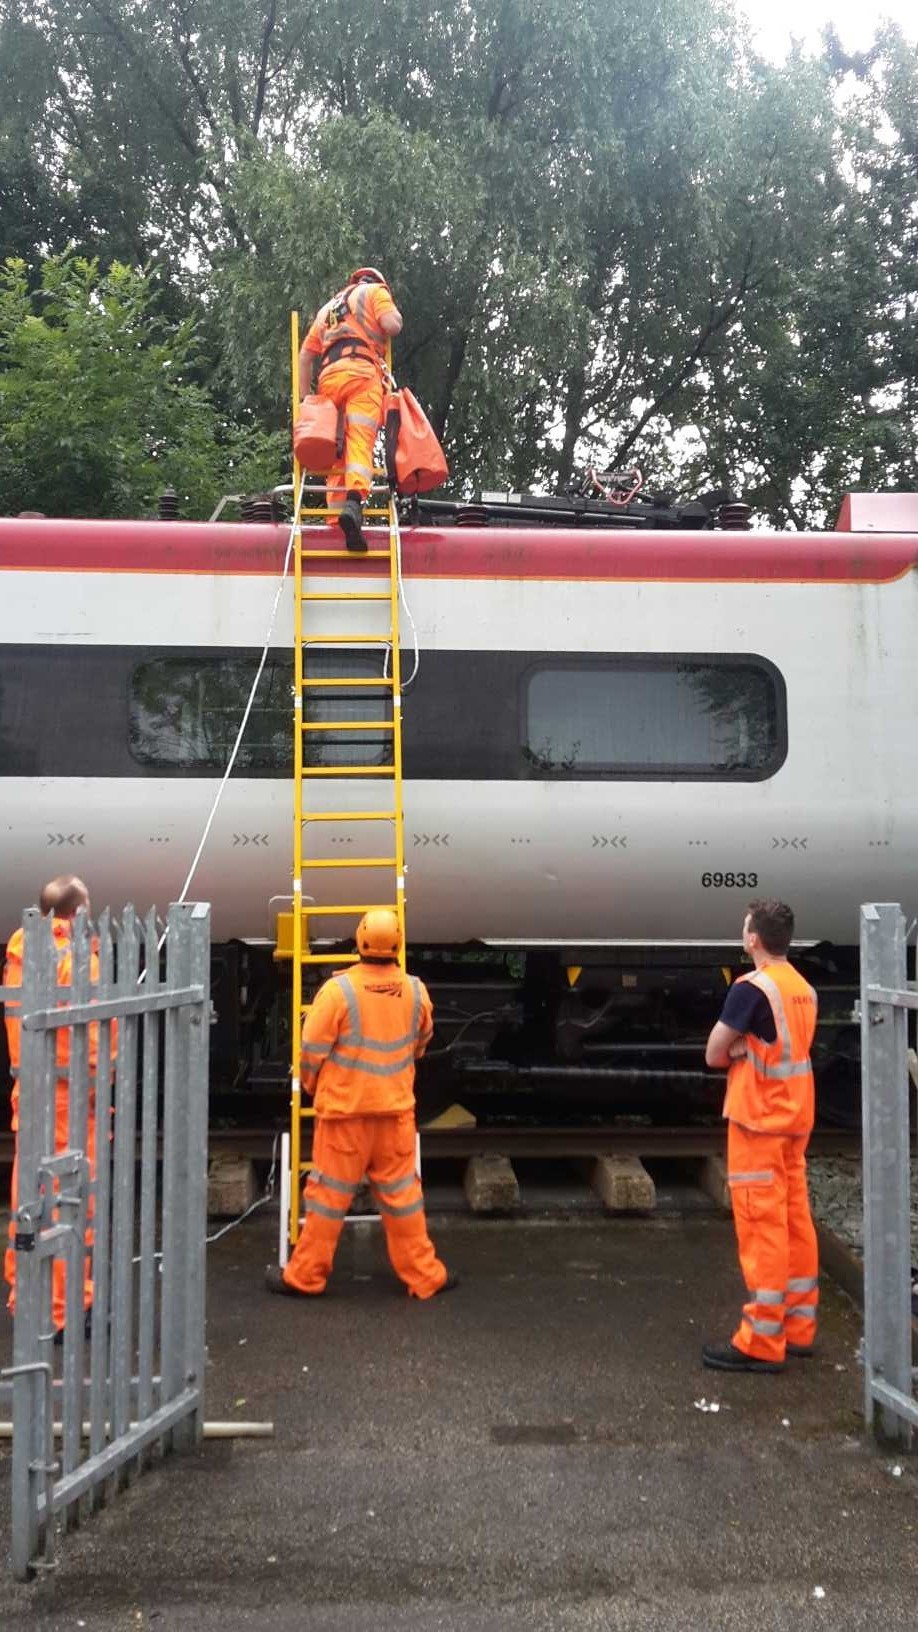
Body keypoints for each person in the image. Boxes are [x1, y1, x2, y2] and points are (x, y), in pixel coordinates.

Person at [267, 908, 455, 1300]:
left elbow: (310, 1049)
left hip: (345, 1118)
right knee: (403, 1199)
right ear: (398, 945)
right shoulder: (416, 992)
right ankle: (425, 1276)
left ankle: (305, 1277)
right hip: (395, 1116)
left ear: (359, 941)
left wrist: (314, 1085)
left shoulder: (339, 992)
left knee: (327, 1198)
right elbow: (421, 1043)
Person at [702, 899, 819, 1373]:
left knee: (761, 1227)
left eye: (744, 927)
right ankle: (798, 1327)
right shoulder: (803, 988)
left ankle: (762, 1341)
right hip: (795, 1118)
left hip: (758, 1123)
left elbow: (713, 1053)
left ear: (753, 939)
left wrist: (737, 1049)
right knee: (795, 1220)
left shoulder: (750, 989)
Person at [3, 876, 103, 1338]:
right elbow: (94, 1045)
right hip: (70, 1100)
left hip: (32, 1093)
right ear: (79, 913)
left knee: (30, 1203)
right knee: (71, 1207)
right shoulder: (77, 961)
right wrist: (104, 1088)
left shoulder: (22, 955)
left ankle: (24, 1296)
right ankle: (66, 1312)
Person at [298, 267, 403, 553]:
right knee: (359, 441)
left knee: (337, 451)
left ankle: (335, 521)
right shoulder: (375, 292)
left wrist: (305, 401)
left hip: (329, 380)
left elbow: (305, 356)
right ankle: (354, 504)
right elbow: (392, 325)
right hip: (362, 374)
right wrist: (393, 313)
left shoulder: (327, 309)